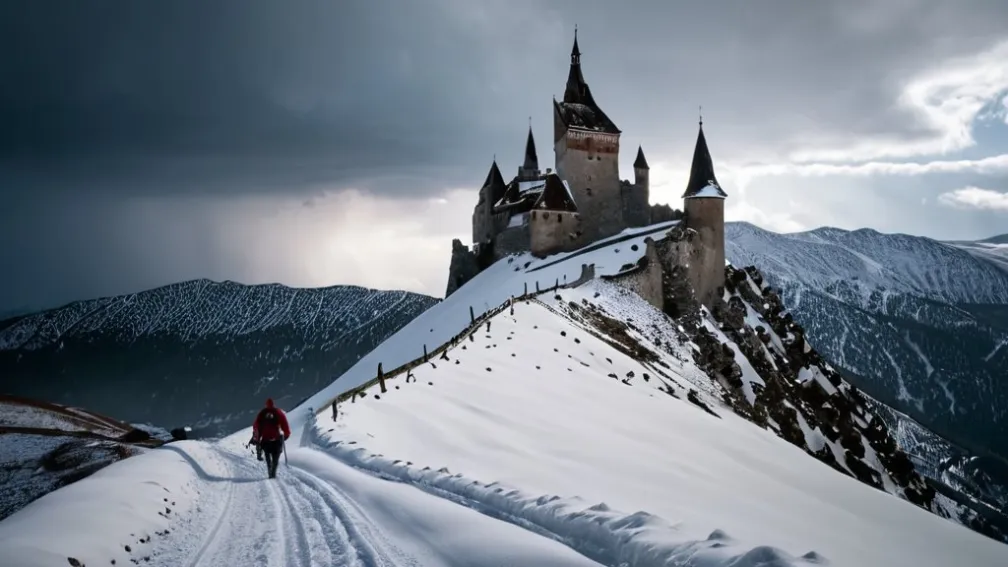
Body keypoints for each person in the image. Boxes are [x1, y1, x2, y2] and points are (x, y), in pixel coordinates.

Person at [252, 398, 290, 479]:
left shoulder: (262, 413)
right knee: (275, 458)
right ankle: (273, 472)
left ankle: (270, 470)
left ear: (266, 404)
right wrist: (286, 435)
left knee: (267, 455)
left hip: (266, 440)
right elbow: (285, 424)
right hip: (276, 440)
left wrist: (257, 438)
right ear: (274, 404)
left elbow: (256, 425)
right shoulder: (278, 412)